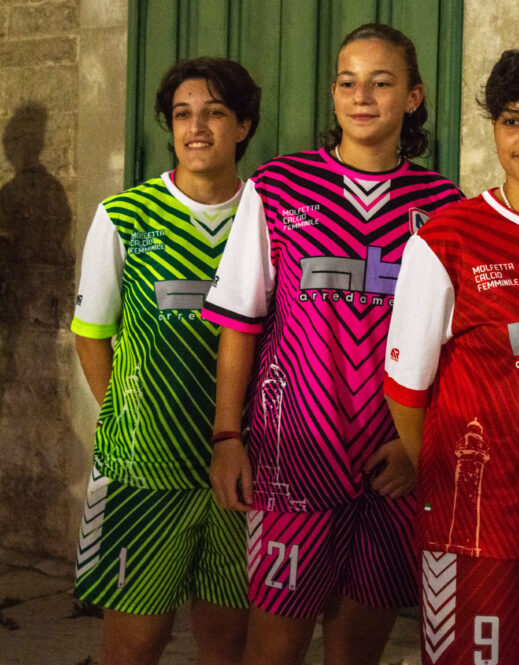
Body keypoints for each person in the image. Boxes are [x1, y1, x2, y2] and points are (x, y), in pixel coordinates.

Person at [203, 23, 463, 665]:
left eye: (382, 82)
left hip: (390, 465)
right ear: (333, 93)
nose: (362, 96)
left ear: (414, 97)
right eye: (348, 82)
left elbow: (448, 349)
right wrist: (227, 436)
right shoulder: (279, 185)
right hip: (295, 454)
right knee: (274, 648)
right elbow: (240, 321)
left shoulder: (443, 205)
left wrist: (416, 446)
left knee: (357, 652)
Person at [384, 42, 519, 665]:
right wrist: (456, 483)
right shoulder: (446, 239)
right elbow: (405, 391)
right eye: (512, 120)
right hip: (476, 537)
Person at [71, 57, 261, 665]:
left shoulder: (268, 217)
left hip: (242, 463)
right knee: (135, 644)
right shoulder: (124, 216)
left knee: (227, 642)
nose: (196, 128)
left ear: (244, 126)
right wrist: (131, 421)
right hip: (146, 471)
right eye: (182, 114)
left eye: (214, 113)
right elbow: (91, 335)